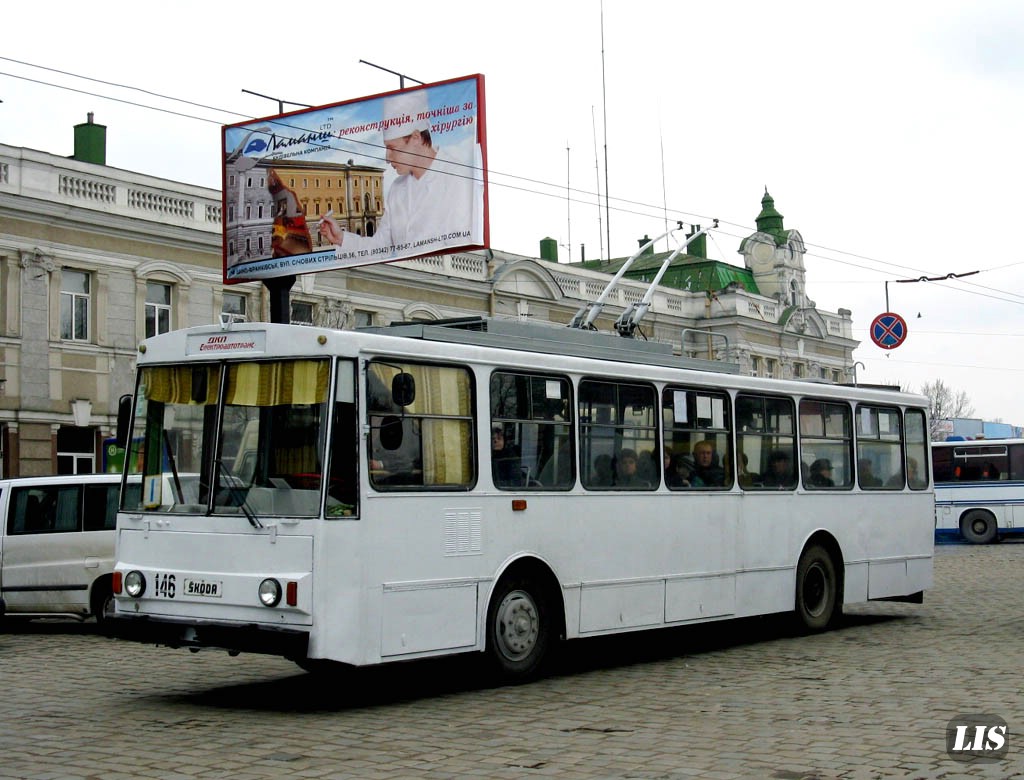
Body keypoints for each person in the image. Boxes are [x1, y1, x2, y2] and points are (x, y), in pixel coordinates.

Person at [319, 89, 479, 262]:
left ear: (416, 138)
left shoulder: (459, 179)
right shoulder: (397, 188)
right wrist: (341, 238)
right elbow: (381, 248)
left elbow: (463, 247)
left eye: (393, 148)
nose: (387, 158)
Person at [267, 169, 313, 258]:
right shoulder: (289, 192)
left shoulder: (280, 194)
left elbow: (279, 221)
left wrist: (274, 242)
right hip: (300, 232)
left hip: (294, 235)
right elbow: (301, 212)